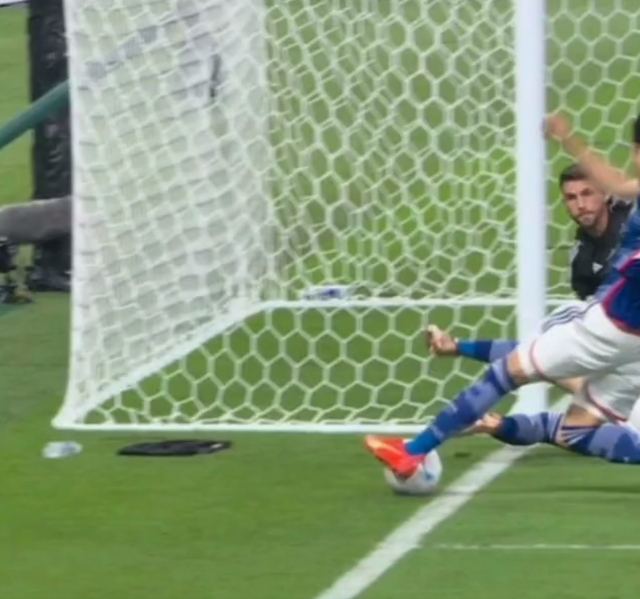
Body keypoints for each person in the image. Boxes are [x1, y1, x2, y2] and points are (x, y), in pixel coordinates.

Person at [365, 112, 640, 473]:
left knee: (509, 371)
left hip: (614, 325)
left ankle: (413, 451)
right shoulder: (596, 239)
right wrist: (567, 138)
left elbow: (615, 182)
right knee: (574, 430)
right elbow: (615, 182)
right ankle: (493, 426)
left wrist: (567, 137)